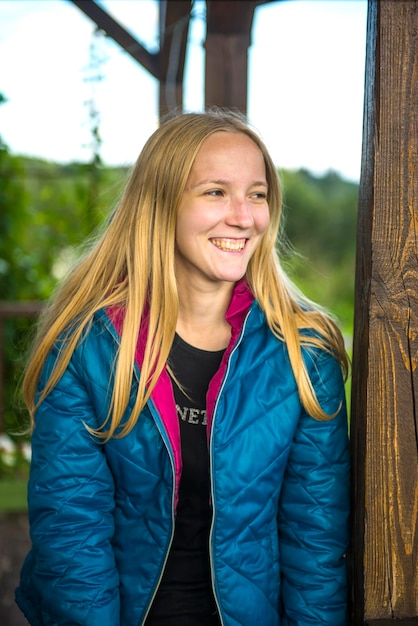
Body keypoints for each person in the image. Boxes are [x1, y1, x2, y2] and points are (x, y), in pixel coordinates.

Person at [16, 109, 350, 626]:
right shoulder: (90, 346)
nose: (243, 216)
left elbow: (316, 542)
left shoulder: (304, 356)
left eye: (257, 194)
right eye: (216, 192)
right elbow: (72, 537)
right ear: (160, 204)